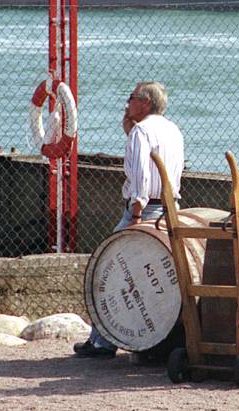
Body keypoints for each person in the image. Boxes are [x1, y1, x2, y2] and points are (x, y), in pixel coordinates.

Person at [74, 81, 185, 358]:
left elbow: (141, 178)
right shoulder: (172, 129)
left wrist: (135, 214)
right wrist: (130, 132)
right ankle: (117, 339)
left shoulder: (141, 131)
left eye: (132, 98)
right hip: (170, 210)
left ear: (145, 103)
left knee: (107, 267)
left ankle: (102, 342)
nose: (127, 103)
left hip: (145, 210)